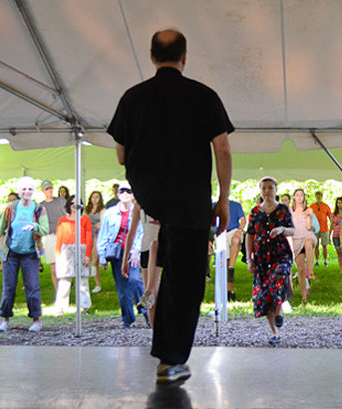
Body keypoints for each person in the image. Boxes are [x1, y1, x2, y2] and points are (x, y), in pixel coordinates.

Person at [107, 29, 233, 384]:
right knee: (185, 282)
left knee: (157, 280)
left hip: (152, 206)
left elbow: (120, 154)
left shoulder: (132, 98)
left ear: (151, 56)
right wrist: (222, 198)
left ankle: (166, 355)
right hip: (191, 207)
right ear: (185, 56)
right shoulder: (203, 95)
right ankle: (171, 359)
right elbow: (222, 149)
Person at [246, 177, 295, 345]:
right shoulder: (255, 212)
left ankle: (280, 307)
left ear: (275, 190)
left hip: (280, 254)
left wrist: (282, 229)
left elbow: (292, 230)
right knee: (264, 294)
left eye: (270, 188)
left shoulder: (283, 209)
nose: (267, 191)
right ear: (260, 190)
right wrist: (249, 258)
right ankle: (274, 333)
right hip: (261, 258)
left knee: (279, 275)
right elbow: (250, 236)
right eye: (264, 188)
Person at [0, 176, 49, 332]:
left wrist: (34, 226)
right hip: (11, 253)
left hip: (30, 253)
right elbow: (0, 229)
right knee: (9, 287)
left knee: (32, 287)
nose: (27, 192)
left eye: (30, 189)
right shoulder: (11, 208)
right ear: (19, 192)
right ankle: (5, 319)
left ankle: (36, 319)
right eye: (24, 189)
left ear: (33, 192)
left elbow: (45, 229)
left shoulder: (39, 208)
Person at [96, 182, 147, 329]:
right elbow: (103, 235)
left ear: (133, 195)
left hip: (132, 253)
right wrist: (102, 256)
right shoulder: (110, 213)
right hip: (116, 253)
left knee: (136, 281)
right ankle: (127, 319)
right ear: (117, 194)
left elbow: (142, 233)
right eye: (122, 191)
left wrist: (137, 250)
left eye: (129, 191)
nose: (125, 194)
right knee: (122, 289)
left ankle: (147, 314)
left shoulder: (138, 211)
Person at [122, 201, 161, 328]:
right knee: (151, 301)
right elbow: (131, 232)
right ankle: (157, 336)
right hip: (147, 250)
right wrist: (125, 259)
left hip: (163, 247)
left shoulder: (168, 197)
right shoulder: (139, 204)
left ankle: (150, 290)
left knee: (157, 296)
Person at [54, 195, 93, 316]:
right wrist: (58, 254)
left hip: (81, 248)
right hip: (66, 250)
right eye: (73, 204)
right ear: (69, 206)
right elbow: (59, 238)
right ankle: (60, 307)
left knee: (83, 281)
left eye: (78, 205)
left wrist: (87, 255)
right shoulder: (62, 220)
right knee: (64, 281)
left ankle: (84, 307)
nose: (75, 207)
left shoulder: (85, 219)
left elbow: (89, 238)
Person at [290, 188, 316, 301]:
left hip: (307, 235)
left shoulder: (308, 209)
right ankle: (303, 296)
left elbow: (309, 227)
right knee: (300, 270)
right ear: (294, 197)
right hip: (296, 239)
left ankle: (311, 272)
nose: (299, 197)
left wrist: (309, 215)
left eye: (301, 195)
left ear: (304, 197)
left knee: (308, 243)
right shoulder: (290, 211)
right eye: (297, 195)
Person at [40, 180, 66, 292]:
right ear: (42, 191)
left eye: (50, 188)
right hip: (50, 237)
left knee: (64, 265)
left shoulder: (61, 201)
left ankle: (65, 290)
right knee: (53, 268)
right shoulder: (41, 206)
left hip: (63, 236)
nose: (49, 190)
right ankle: (58, 292)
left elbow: (68, 215)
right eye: (46, 189)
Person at [225, 199, 246, 301]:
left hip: (233, 231)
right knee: (226, 262)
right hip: (221, 233)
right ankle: (228, 291)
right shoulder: (215, 205)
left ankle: (231, 267)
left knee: (236, 240)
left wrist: (240, 229)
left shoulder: (235, 205)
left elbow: (243, 220)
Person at [85, 191, 105, 293]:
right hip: (88, 234)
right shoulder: (87, 210)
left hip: (98, 235)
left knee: (95, 259)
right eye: (93, 197)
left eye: (97, 197)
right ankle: (87, 281)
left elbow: (104, 221)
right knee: (86, 259)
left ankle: (98, 283)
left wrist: (100, 223)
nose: (95, 199)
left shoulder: (102, 210)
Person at [310, 191, 332, 267]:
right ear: (315, 196)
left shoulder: (326, 206)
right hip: (315, 229)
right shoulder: (312, 206)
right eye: (317, 195)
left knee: (324, 245)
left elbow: (330, 217)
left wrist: (332, 226)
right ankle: (317, 261)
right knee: (315, 246)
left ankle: (325, 261)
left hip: (324, 229)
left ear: (322, 196)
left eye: (320, 195)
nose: (318, 197)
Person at [0, 192, 19, 273]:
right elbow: (1, 228)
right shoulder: (5, 212)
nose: (11, 202)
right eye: (10, 200)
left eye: (14, 200)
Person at [330, 197, 342, 275]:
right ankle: (341, 269)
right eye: (338, 203)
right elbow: (331, 225)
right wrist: (329, 235)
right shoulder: (333, 214)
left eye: (341, 202)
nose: (340, 204)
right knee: (339, 252)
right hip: (336, 235)